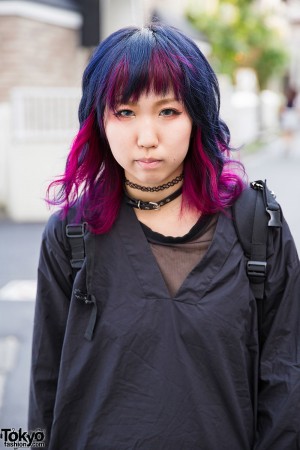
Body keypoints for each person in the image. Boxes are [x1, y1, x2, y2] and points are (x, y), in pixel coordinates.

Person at [28, 22, 300, 450]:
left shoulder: (256, 226)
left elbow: (287, 383)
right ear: (98, 120)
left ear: (198, 116)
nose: (147, 138)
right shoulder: (70, 234)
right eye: (125, 111)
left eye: (168, 111)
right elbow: (44, 388)